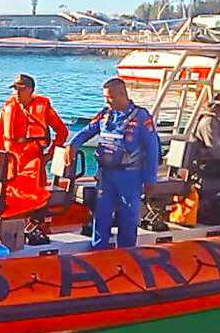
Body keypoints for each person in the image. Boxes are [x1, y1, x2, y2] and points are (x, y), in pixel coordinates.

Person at [65, 78, 160, 250]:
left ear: (122, 94)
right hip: (106, 176)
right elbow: (87, 131)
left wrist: (151, 179)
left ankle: (126, 254)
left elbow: (153, 149)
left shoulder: (141, 117)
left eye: (110, 97)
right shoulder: (105, 114)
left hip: (130, 177)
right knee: (101, 216)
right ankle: (98, 252)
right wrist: (72, 144)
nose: (107, 101)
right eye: (105, 97)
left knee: (128, 218)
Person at [0, 74, 69, 187]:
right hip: (11, 160)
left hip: (34, 159)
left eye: (22, 89)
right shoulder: (8, 106)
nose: (17, 92)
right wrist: (2, 154)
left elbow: (62, 131)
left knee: (35, 195)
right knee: (10, 194)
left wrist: (50, 154)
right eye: (15, 89)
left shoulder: (43, 106)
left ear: (31, 90)